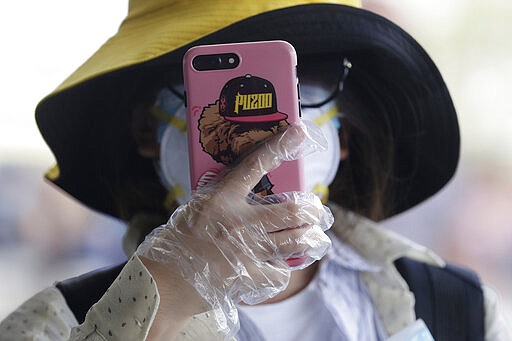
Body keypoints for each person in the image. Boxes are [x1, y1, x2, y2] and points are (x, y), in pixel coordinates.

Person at [0, 0, 510, 340]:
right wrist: (165, 295)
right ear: (145, 131)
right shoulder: (60, 324)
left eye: (298, 79)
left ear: (345, 132)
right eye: (220, 72)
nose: (263, 122)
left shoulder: (457, 311)